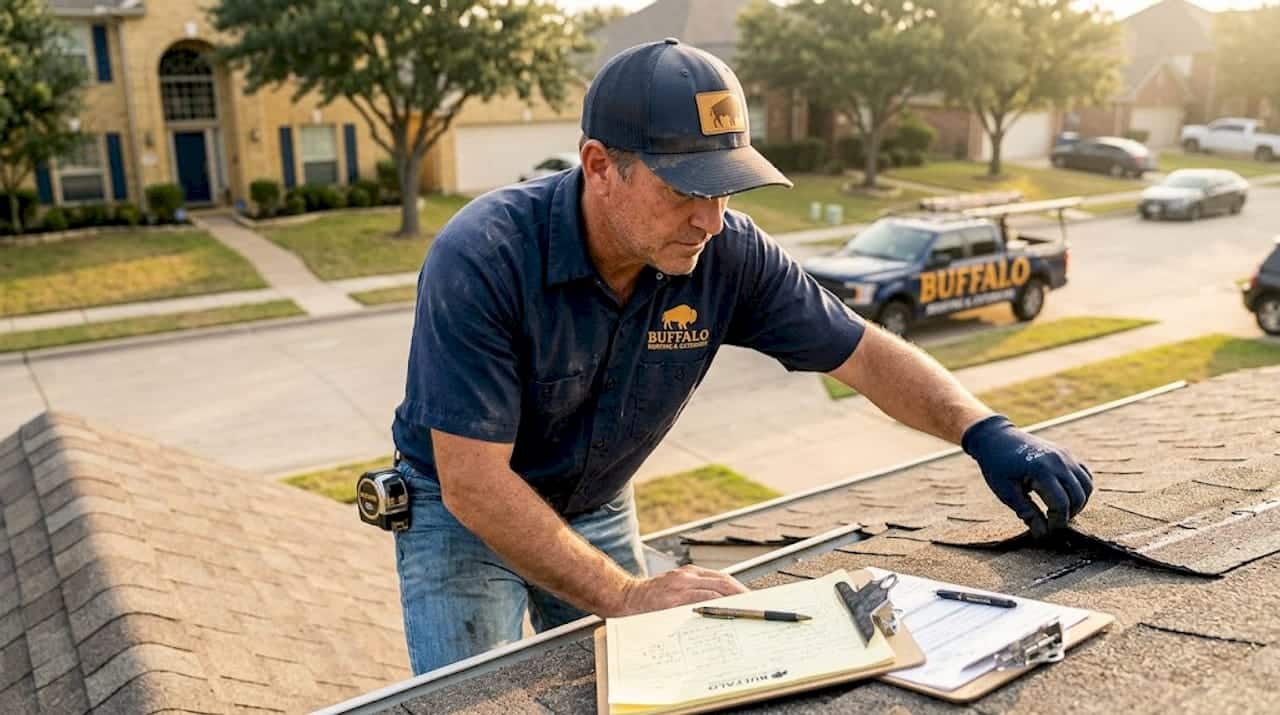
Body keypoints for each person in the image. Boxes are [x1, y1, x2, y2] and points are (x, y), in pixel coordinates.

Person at [390, 38, 1093, 675]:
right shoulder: (483, 256)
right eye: (684, 190)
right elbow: (473, 482)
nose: (711, 218)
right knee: (470, 695)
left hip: (595, 501)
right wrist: (626, 594)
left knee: (634, 685)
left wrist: (984, 431)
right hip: (460, 520)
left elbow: (866, 354)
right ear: (601, 166)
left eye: (724, 186)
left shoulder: (725, 253)